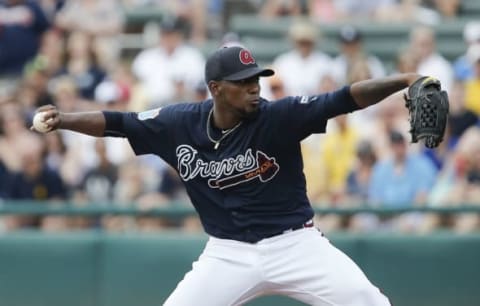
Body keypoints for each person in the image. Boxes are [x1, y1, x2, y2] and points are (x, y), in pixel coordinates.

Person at [32, 46, 430, 305]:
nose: (255, 89)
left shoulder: (279, 117)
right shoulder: (179, 123)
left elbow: (343, 98)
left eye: (256, 80)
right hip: (227, 252)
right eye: (243, 84)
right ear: (216, 89)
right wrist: (64, 118)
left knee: (371, 303)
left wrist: (404, 81)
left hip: (296, 244)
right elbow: (119, 122)